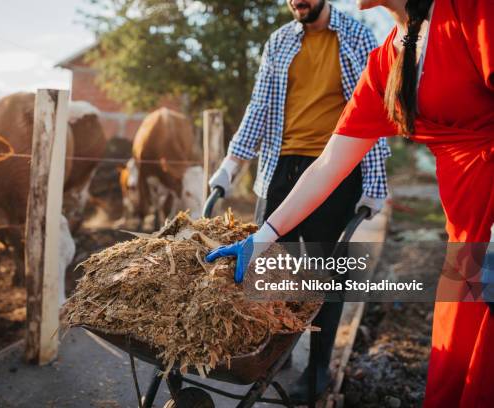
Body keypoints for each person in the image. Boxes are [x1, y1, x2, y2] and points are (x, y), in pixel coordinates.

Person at [207, 0, 493, 406]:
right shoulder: (386, 61)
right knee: (461, 362)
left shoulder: (468, 11)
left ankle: (319, 368)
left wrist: (373, 187)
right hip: (465, 223)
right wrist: (263, 236)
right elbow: (329, 162)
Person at [207, 0, 390, 401]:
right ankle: (275, 356)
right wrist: (231, 165)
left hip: (334, 172)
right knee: (269, 269)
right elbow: (259, 108)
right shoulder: (279, 42)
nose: (297, 2)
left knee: (324, 277)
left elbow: (374, 110)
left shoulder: (357, 35)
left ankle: (318, 369)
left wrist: (374, 183)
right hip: (280, 167)